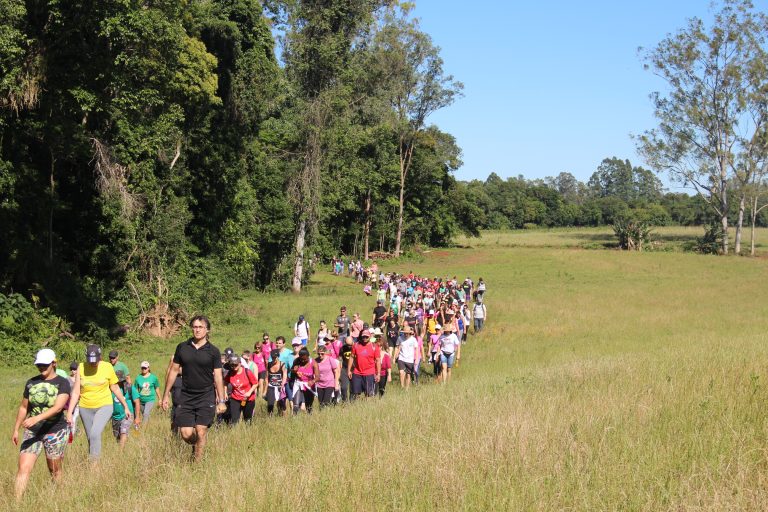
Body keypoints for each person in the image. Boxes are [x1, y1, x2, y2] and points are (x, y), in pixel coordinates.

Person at [161, 315, 227, 462]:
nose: (197, 330)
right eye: (195, 327)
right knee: (185, 433)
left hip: (206, 395)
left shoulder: (213, 351)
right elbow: (173, 371)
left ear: (207, 330)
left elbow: (218, 377)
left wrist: (221, 400)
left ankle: (197, 463)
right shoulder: (182, 347)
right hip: (186, 395)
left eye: (200, 327)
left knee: (201, 430)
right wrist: (166, 395)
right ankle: (196, 445)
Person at [12, 349, 72, 499]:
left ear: (54, 363)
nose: (41, 368)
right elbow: (24, 407)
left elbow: (58, 407)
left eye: (45, 365)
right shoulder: (31, 383)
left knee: (54, 469)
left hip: (55, 431)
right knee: (23, 468)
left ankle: (60, 497)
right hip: (33, 432)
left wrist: (36, 418)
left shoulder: (62, 383)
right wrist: (15, 429)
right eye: (39, 365)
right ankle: (16, 503)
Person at [72, 344, 132, 460]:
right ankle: (94, 460)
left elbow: (114, 388)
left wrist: (125, 406)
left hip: (104, 405)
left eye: (96, 360)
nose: (93, 363)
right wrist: (70, 413)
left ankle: (94, 466)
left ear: (100, 357)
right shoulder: (81, 367)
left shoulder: (107, 367)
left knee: (95, 433)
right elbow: (76, 392)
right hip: (85, 407)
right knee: (91, 438)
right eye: (90, 360)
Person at [223, 354, 258, 424]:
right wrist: (225, 392)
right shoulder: (230, 373)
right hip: (235, 398)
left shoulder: (247, 372)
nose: (234, 367)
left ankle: (247, 432)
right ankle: (234, 432)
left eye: (236, 365)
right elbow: (225, 383)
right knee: (234, 419)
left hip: (248, 399)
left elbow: (255, 383)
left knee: (247, 419)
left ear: (240, 364)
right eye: (232, 365)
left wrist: (249, 392)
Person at [348, 329, 381, 400]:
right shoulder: (356, 345)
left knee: (369, 394)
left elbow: (378, 361)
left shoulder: (374, 347)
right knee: (355, 394)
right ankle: (356, 408)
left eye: (367, 337)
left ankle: (367, 408)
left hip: (369, 373)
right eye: (363, 337)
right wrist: (349, 370)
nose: (365, 338)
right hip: (357, 372)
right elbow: (351, 357)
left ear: (370, 337)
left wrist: (378, 374)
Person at [111, 370, 137, 448]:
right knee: (117, 436)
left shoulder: (129, 388)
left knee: (123, 430)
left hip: (127, 415)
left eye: (121, 380)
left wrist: (137, 417)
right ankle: (124, 446)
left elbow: (137, 402)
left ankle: (120, 452)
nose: (119, 382)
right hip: (115, 417)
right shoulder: (110, 389)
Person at [133, 361, 160, 428]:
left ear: (148, 368)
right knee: (144, 414)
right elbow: (136, 390)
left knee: (146, 413)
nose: (144, 369)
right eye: (142, 368)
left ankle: (143, 429)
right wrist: (135, 399)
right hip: (141, 400)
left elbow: (157, 388)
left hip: (150, 399)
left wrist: (160, 399)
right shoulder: (138, 378)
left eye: (145, 368)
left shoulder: (153, 378)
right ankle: (149, 425)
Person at [291, 348, 318, 414]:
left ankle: (309, 418)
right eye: (301, 359)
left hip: (309, 385)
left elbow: (317, 377)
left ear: (308, 356)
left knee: (309, 405)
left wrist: (313, 381)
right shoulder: (297, 361)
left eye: (304, 359)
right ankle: (294, 420)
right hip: (298, 383)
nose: (302, 361)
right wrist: (294, 371)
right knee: (296, 405)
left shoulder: (313, 362)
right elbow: (291, 371)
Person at [265, 349, 287, 416]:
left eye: (275, 357)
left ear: (278, 357)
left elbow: (285, 376)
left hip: (280, 386)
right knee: (270, 403)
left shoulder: (282, 364)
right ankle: (270, 417)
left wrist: (282, 385)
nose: (274, 359)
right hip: (271, 386)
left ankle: (283, 417)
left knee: (282, 404)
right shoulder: (269, 364)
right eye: (273, 358)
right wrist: (265, 389)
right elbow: (266, 377)